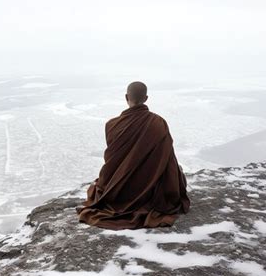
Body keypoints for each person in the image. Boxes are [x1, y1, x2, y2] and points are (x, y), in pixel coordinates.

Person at [76, 81, 190, 230]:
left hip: (118, 189)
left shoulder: (112, 125)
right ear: (146, 98)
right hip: (149, 189)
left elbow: (113, 162)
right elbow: (168, 160)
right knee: (177, 170)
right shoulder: (159, 123)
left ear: (126, 97)